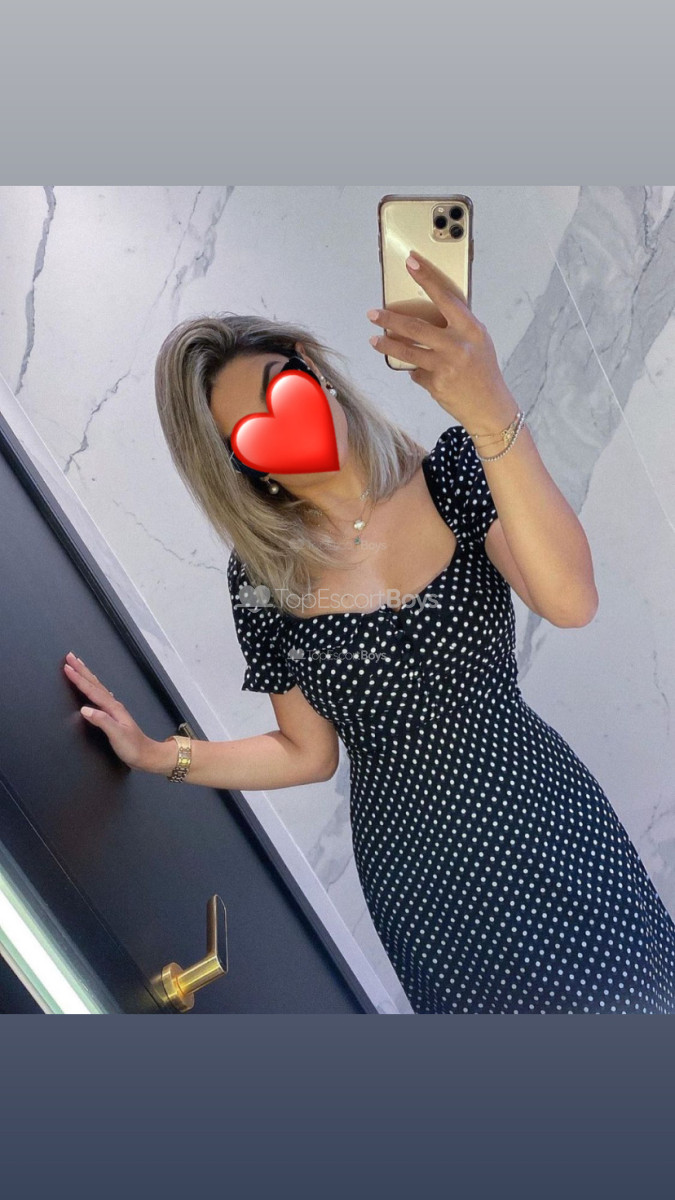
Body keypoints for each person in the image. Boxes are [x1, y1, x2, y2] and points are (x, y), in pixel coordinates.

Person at [66, 251, 675, 1014]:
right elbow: (306, 752)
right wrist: (163, 756)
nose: (285, 419)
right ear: (239, 466)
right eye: (251, 430)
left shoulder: (455, 472)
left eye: (282, 386)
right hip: (415, 874)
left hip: (538, 817)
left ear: (313, 371)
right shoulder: (262, 579)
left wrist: (490, 412)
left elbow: (569, 601)